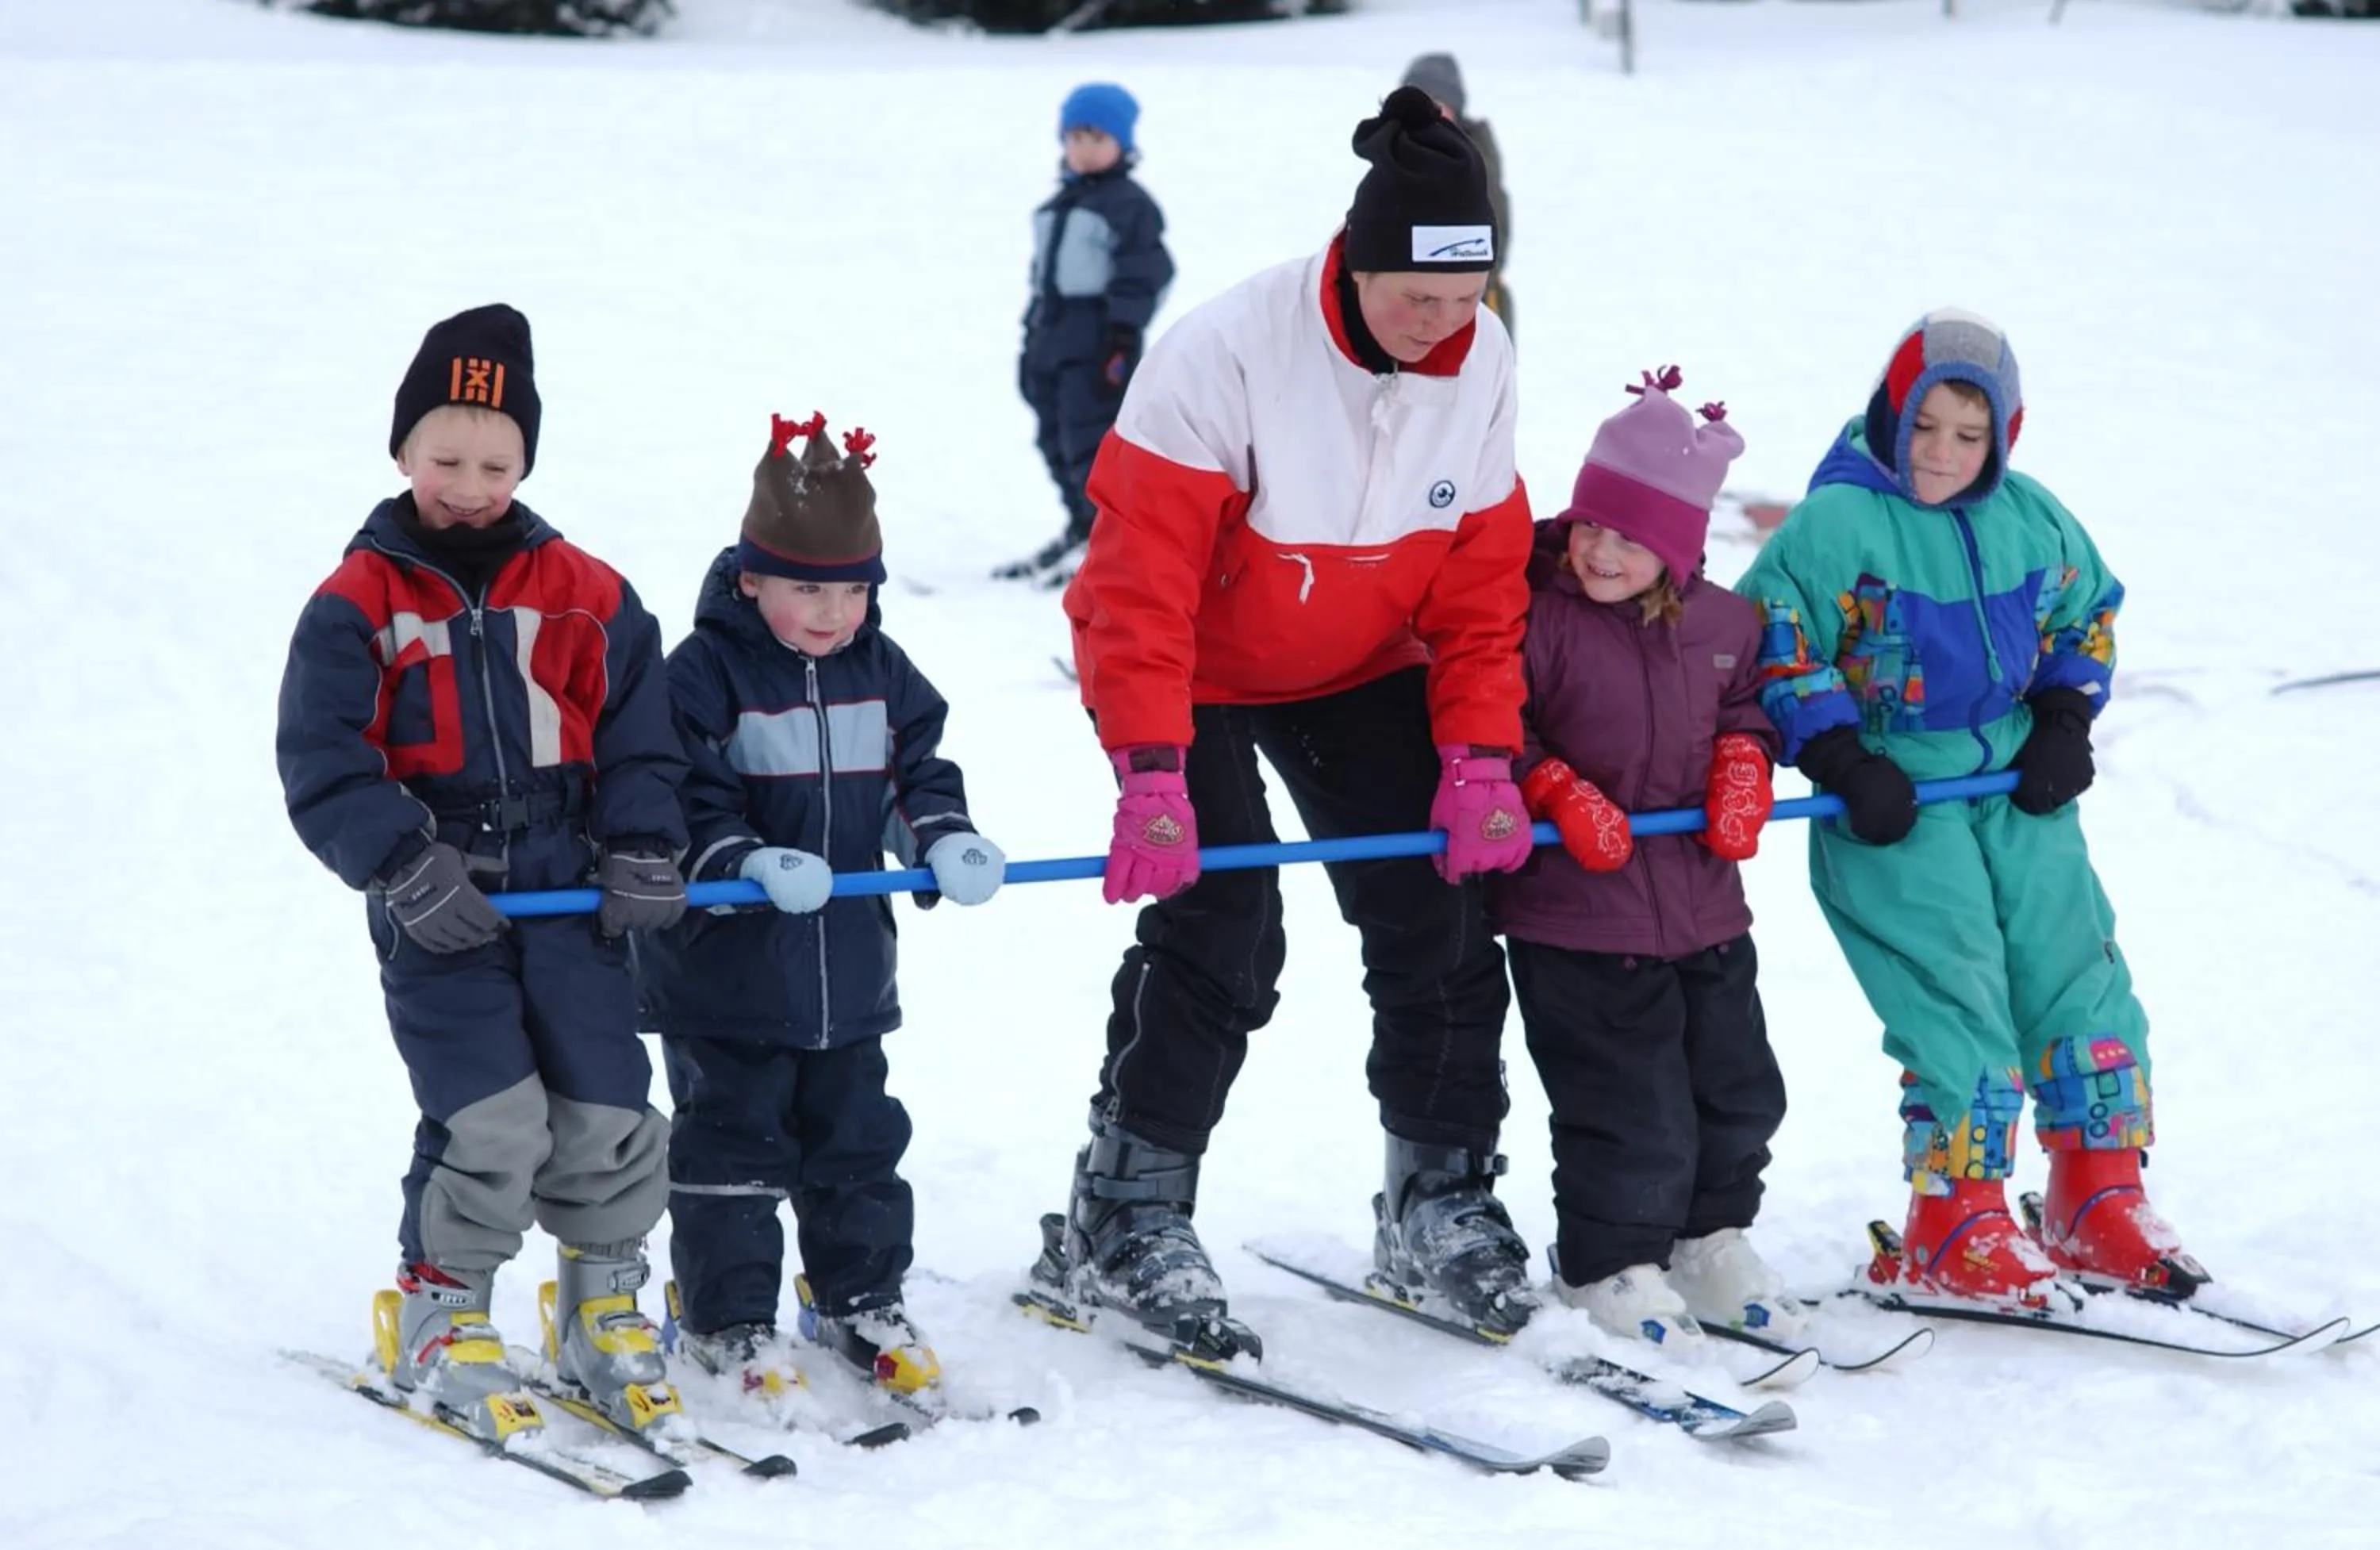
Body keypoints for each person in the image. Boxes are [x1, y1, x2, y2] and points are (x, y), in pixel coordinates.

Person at [1032, 84, 1537, 1353]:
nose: (1442, 325)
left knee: (1441, 900)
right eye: (1417, 297)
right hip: (1195, 662)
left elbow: (1481, 583)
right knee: (1226, 916)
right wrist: (1153, 769)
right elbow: (1137, 585)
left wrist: (1479, 752)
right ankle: (1129, 1203)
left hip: (1357, 658)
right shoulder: (1226, 352)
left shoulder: (1480, 359)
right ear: (1357, 263)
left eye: (1466, 297)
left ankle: (1437, 1191)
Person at [275, 304, 691, 1439]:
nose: (467, 485)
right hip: (442, 891)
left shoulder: (589, 593)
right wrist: (402, 862)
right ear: (402, 451)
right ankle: (442, 1308)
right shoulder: (357, 603)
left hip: (571, 883)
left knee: (606, 1099)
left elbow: (644, 736)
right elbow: (323, 757)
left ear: (527, 464)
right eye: (445, 459)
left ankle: (602, 1302)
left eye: (496, 465)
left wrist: (642, 841)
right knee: (491, 1111)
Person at [1733, 308, 2205, 1305]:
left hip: (2016, 781)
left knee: (2077, 972)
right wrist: (1838, 753)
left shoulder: (2029, 516)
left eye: (1970, 433)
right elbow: (1772, 637)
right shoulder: (1836, 525)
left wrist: (2064, 718)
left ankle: (2096, 1190)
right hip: (1897, 795)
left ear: (2003, 436)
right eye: (1925, 424)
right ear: (1890, 412)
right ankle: (1956, 1212)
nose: (1942, 452)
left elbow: (2086, 610)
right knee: (1953, 992)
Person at [639, 413, 1008, 1403]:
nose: (833, 612)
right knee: (733, 1151)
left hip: (849, 973)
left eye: (854, 590)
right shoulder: (701, 675)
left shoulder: (882, 671)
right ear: (751, 578)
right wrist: (744, 859)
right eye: (808, 588)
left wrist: (941, 836)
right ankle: (727, 1319)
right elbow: (678, 798)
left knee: (859, 1146)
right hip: (726, 978)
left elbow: (914, 774)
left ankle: (862, 1297)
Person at [1488, 367, 1795, 1350]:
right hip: (1578, 920)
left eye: (1628, 536)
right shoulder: (1535, 617)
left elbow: (1748, 703)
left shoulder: (1725, 626)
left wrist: (1745, 759)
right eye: (1589, 524)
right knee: (1629, 1106)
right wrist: (1552, 788)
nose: (1599, 549)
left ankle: (1707, 1240)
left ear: (1680, 546)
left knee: (1738, 1089)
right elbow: (1494, 724)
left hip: (1704, 908)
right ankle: (1608, 1263)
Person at [996, 81, 1176, 589]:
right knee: (1053, 436)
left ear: (1122, 143)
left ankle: (1106, 538)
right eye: (1075, 137)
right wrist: (1031, 332)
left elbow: (1149, 270)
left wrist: (1122, 334)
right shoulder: (1058, 204)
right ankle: (1081, 526)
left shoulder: (1129, 205)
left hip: (1096, 338)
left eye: (1097, 138)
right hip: (1049, 335)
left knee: (1089, 441)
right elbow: (1042, 274)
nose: (1084, 148)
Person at [1400, 53, 1514, 345]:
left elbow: (1495, 227)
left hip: (1472, 299)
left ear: (1455, 109)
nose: (1430, 115)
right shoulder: (1396, 155)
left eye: (1438, 105)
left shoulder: (1474, 157)